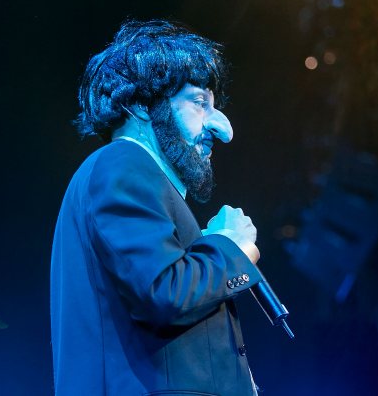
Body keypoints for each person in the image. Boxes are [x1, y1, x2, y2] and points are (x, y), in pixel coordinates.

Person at [50, 20, 264, 396]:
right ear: (141, 106)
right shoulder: (122, 163)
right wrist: (231, 248)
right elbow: (163, 293)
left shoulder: (139, 177)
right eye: (200, 103)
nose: (223, 128)